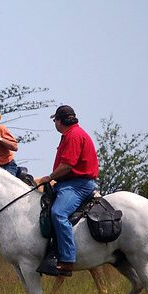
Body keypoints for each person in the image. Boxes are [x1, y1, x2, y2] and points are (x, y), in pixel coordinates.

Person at [37, 105, 99, 276]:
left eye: (55, 120)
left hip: (78, 184)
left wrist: (49, 177)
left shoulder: (73, 136)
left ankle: (67, 259)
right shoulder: (71, 134)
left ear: (59, 121)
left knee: (58, 213)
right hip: (69, 183)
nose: (54, 124)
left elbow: (67, 165)